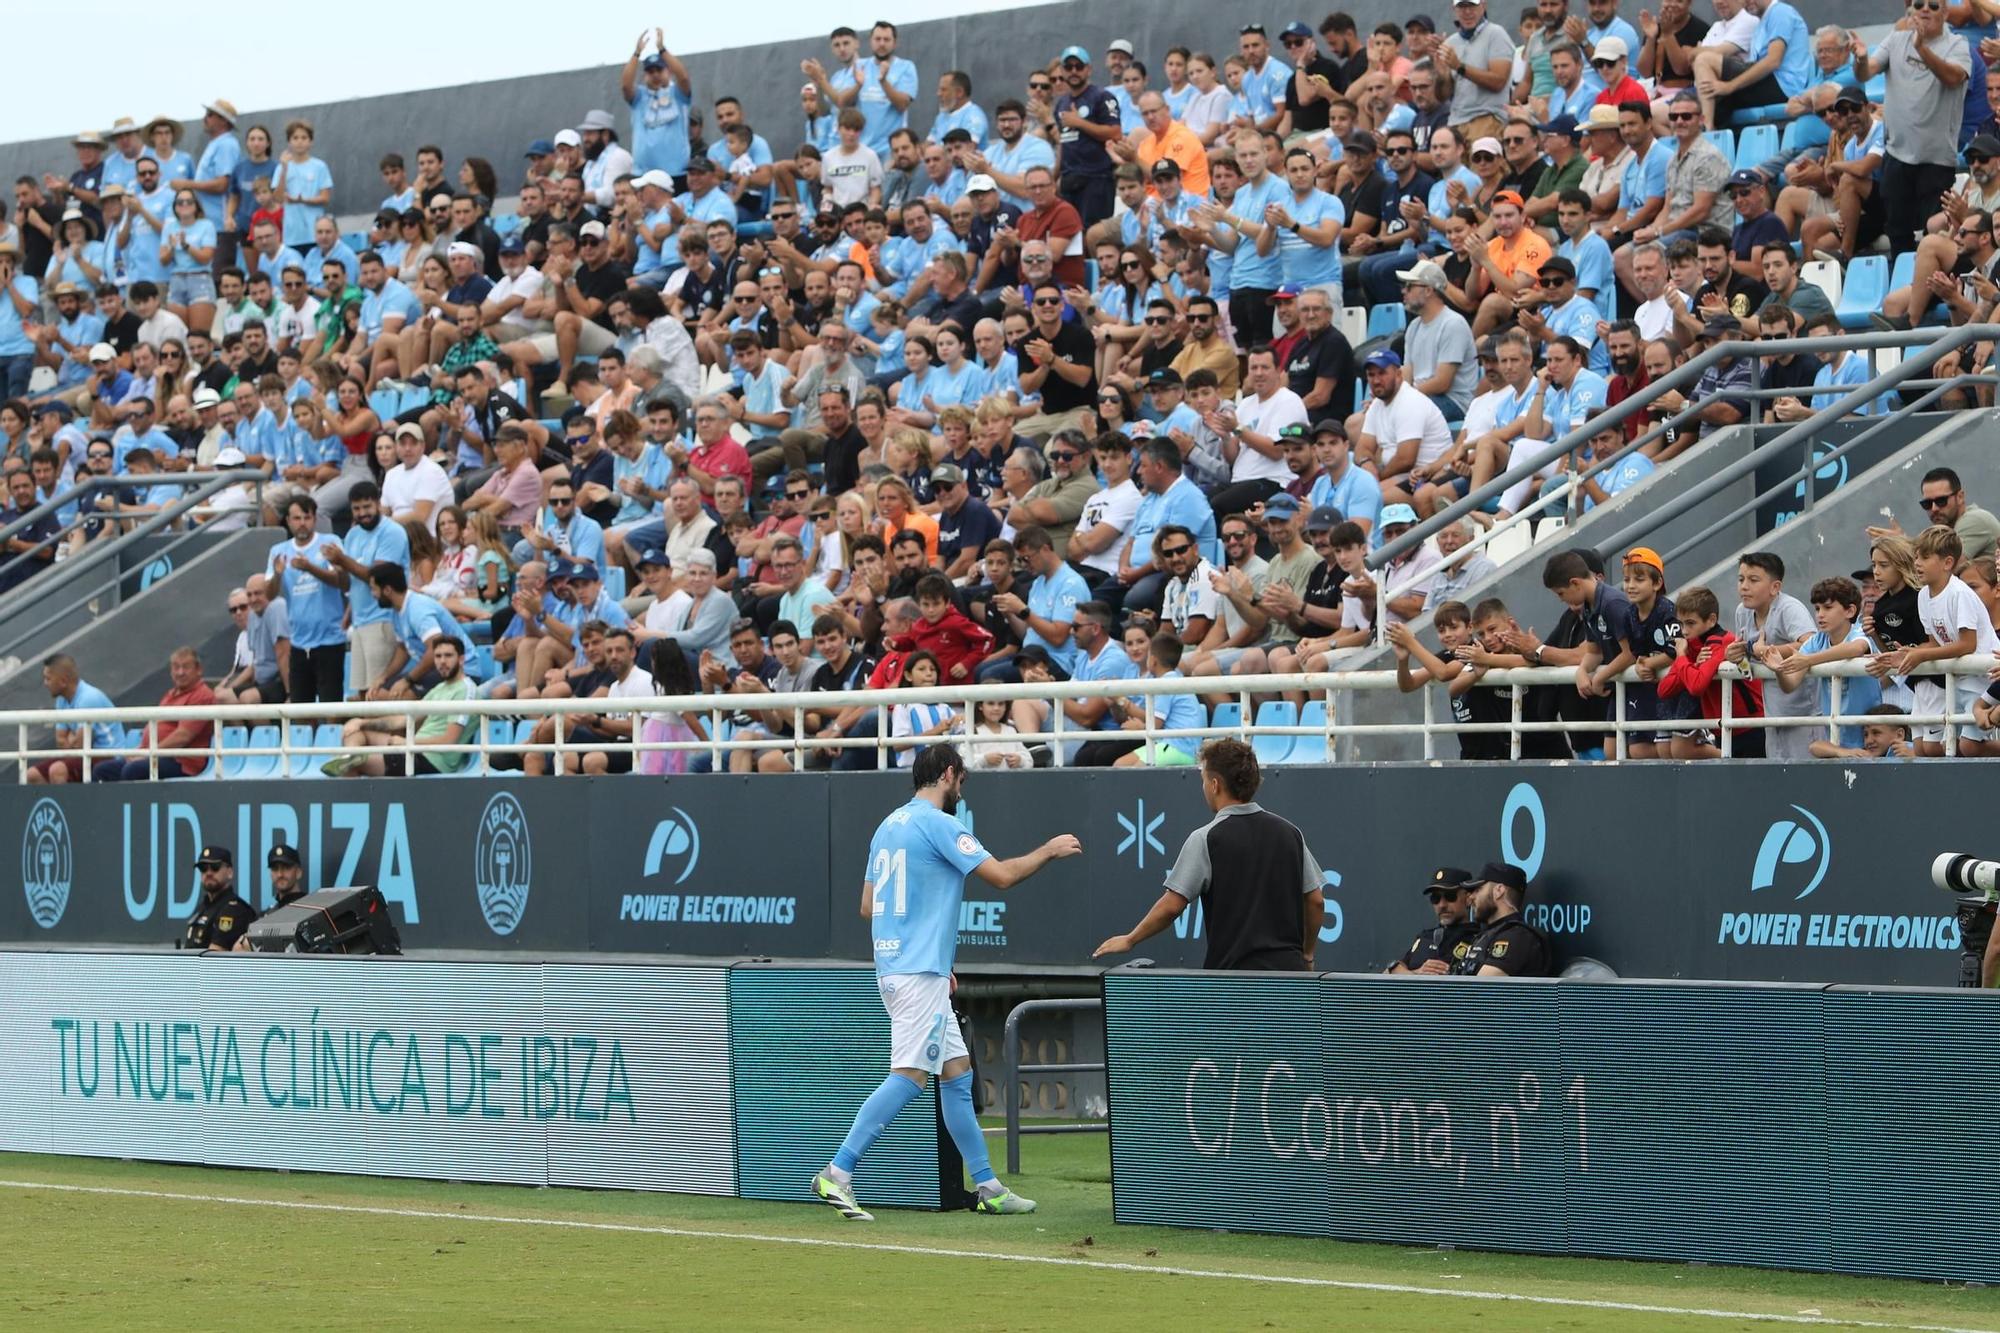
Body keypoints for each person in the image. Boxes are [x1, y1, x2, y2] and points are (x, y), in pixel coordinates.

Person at [813, 743, 1080, 1222]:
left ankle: (989, 1187)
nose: (961, 791)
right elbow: (999, 876)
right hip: (917, 975)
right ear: (950, 775)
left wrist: (929, 947)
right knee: (912, 1075)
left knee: (957, 1075)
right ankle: (838, 1172)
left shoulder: (888, 825)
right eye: (962, 782)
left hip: (901, 969)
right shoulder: (940, 823)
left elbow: (868, 906)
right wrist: (1049, 850)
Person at [1095, 737, 1323, 969]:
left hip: (1231, 984)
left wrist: (1130, 939)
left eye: (1203, 779)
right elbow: (1315, 901)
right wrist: (1307, 955)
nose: (1202, 786)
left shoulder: (1206, 838)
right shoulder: (1291, 833)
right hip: (1291, 981)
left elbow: (1172, 905)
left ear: (1215, 785)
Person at [324, 635, 474, 776]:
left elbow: (449, 740)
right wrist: (362, 722)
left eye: (448, 656)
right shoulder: (439, 689)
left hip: (432, 761)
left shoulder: (465, 689)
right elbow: (403, 720)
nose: (442, 661)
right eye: (438, 656)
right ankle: (350, 756)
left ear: (461, 659)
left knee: (354, 766)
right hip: (414, 750)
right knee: (355, 732)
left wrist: (408, 742)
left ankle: (351, 763)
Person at [93, 646, 215, 781]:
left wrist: (149, 753)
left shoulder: (202, 696)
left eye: (186, 667)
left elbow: (183, 736)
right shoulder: (171, 694)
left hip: (182, 761)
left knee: (133, 770)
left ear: (199, 670)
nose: (180, 672)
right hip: (155, 755)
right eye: (176, 667)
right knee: (102, 770)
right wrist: (138, 752)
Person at [26, 653, 120, 785]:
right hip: (86, 754)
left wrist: (71, 738)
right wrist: (72, 740)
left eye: (48, 679)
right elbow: (60, 742)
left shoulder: (88, 698)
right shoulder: (61, 699)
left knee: (57, 770)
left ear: (63, 681)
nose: (45, 684)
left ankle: (67, 806)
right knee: (32, 775)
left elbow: (81, 745)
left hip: (110, 755)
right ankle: (54, 805)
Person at [1448, 862, 1553, 976]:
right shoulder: (1485, 935)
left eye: (1478, 890)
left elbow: (1479, 989)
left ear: (1499, 890)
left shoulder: (1518, 936)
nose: (1471, 897)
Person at [1387, 866, 1480, 974]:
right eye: (1435, 898)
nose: (1442, 905)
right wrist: (1417, 973)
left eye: (1450, 896)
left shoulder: (1478, 939)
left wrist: (1406, 974)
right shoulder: (1425, 937)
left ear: (1468, 898)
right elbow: (1387, 975)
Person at [178, 844, 257, 951]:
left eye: (215, 868)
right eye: (203, 868)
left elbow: (214, 956)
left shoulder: (235, 909)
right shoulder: (201, 908)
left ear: (230, 872)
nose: (208, 873)